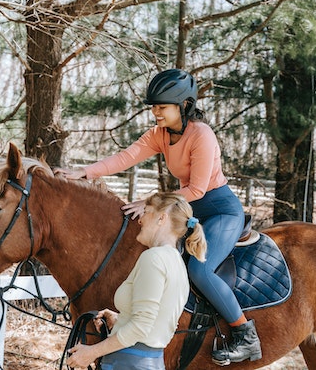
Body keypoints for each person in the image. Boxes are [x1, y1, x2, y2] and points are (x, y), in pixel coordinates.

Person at [57, 68, 262, 365]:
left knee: (200, 272)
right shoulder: (160, 135)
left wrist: (150, 202)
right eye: (153, 106)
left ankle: (244, 333)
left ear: (184, 106)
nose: (155, 112)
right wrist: (85, 172)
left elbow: (198, 188)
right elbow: (126, 157)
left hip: (219, 211)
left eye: (162, 107)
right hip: (187, 210)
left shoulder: (201, 135)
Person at [65, 192, 207, 370]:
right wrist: (122, 319)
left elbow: (141, 327)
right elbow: (158, 321)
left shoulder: (153, 258)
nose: (140, 220)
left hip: (127, 363)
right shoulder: (176, 261)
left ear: (161, 219)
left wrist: (91, 353)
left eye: (146, 212)